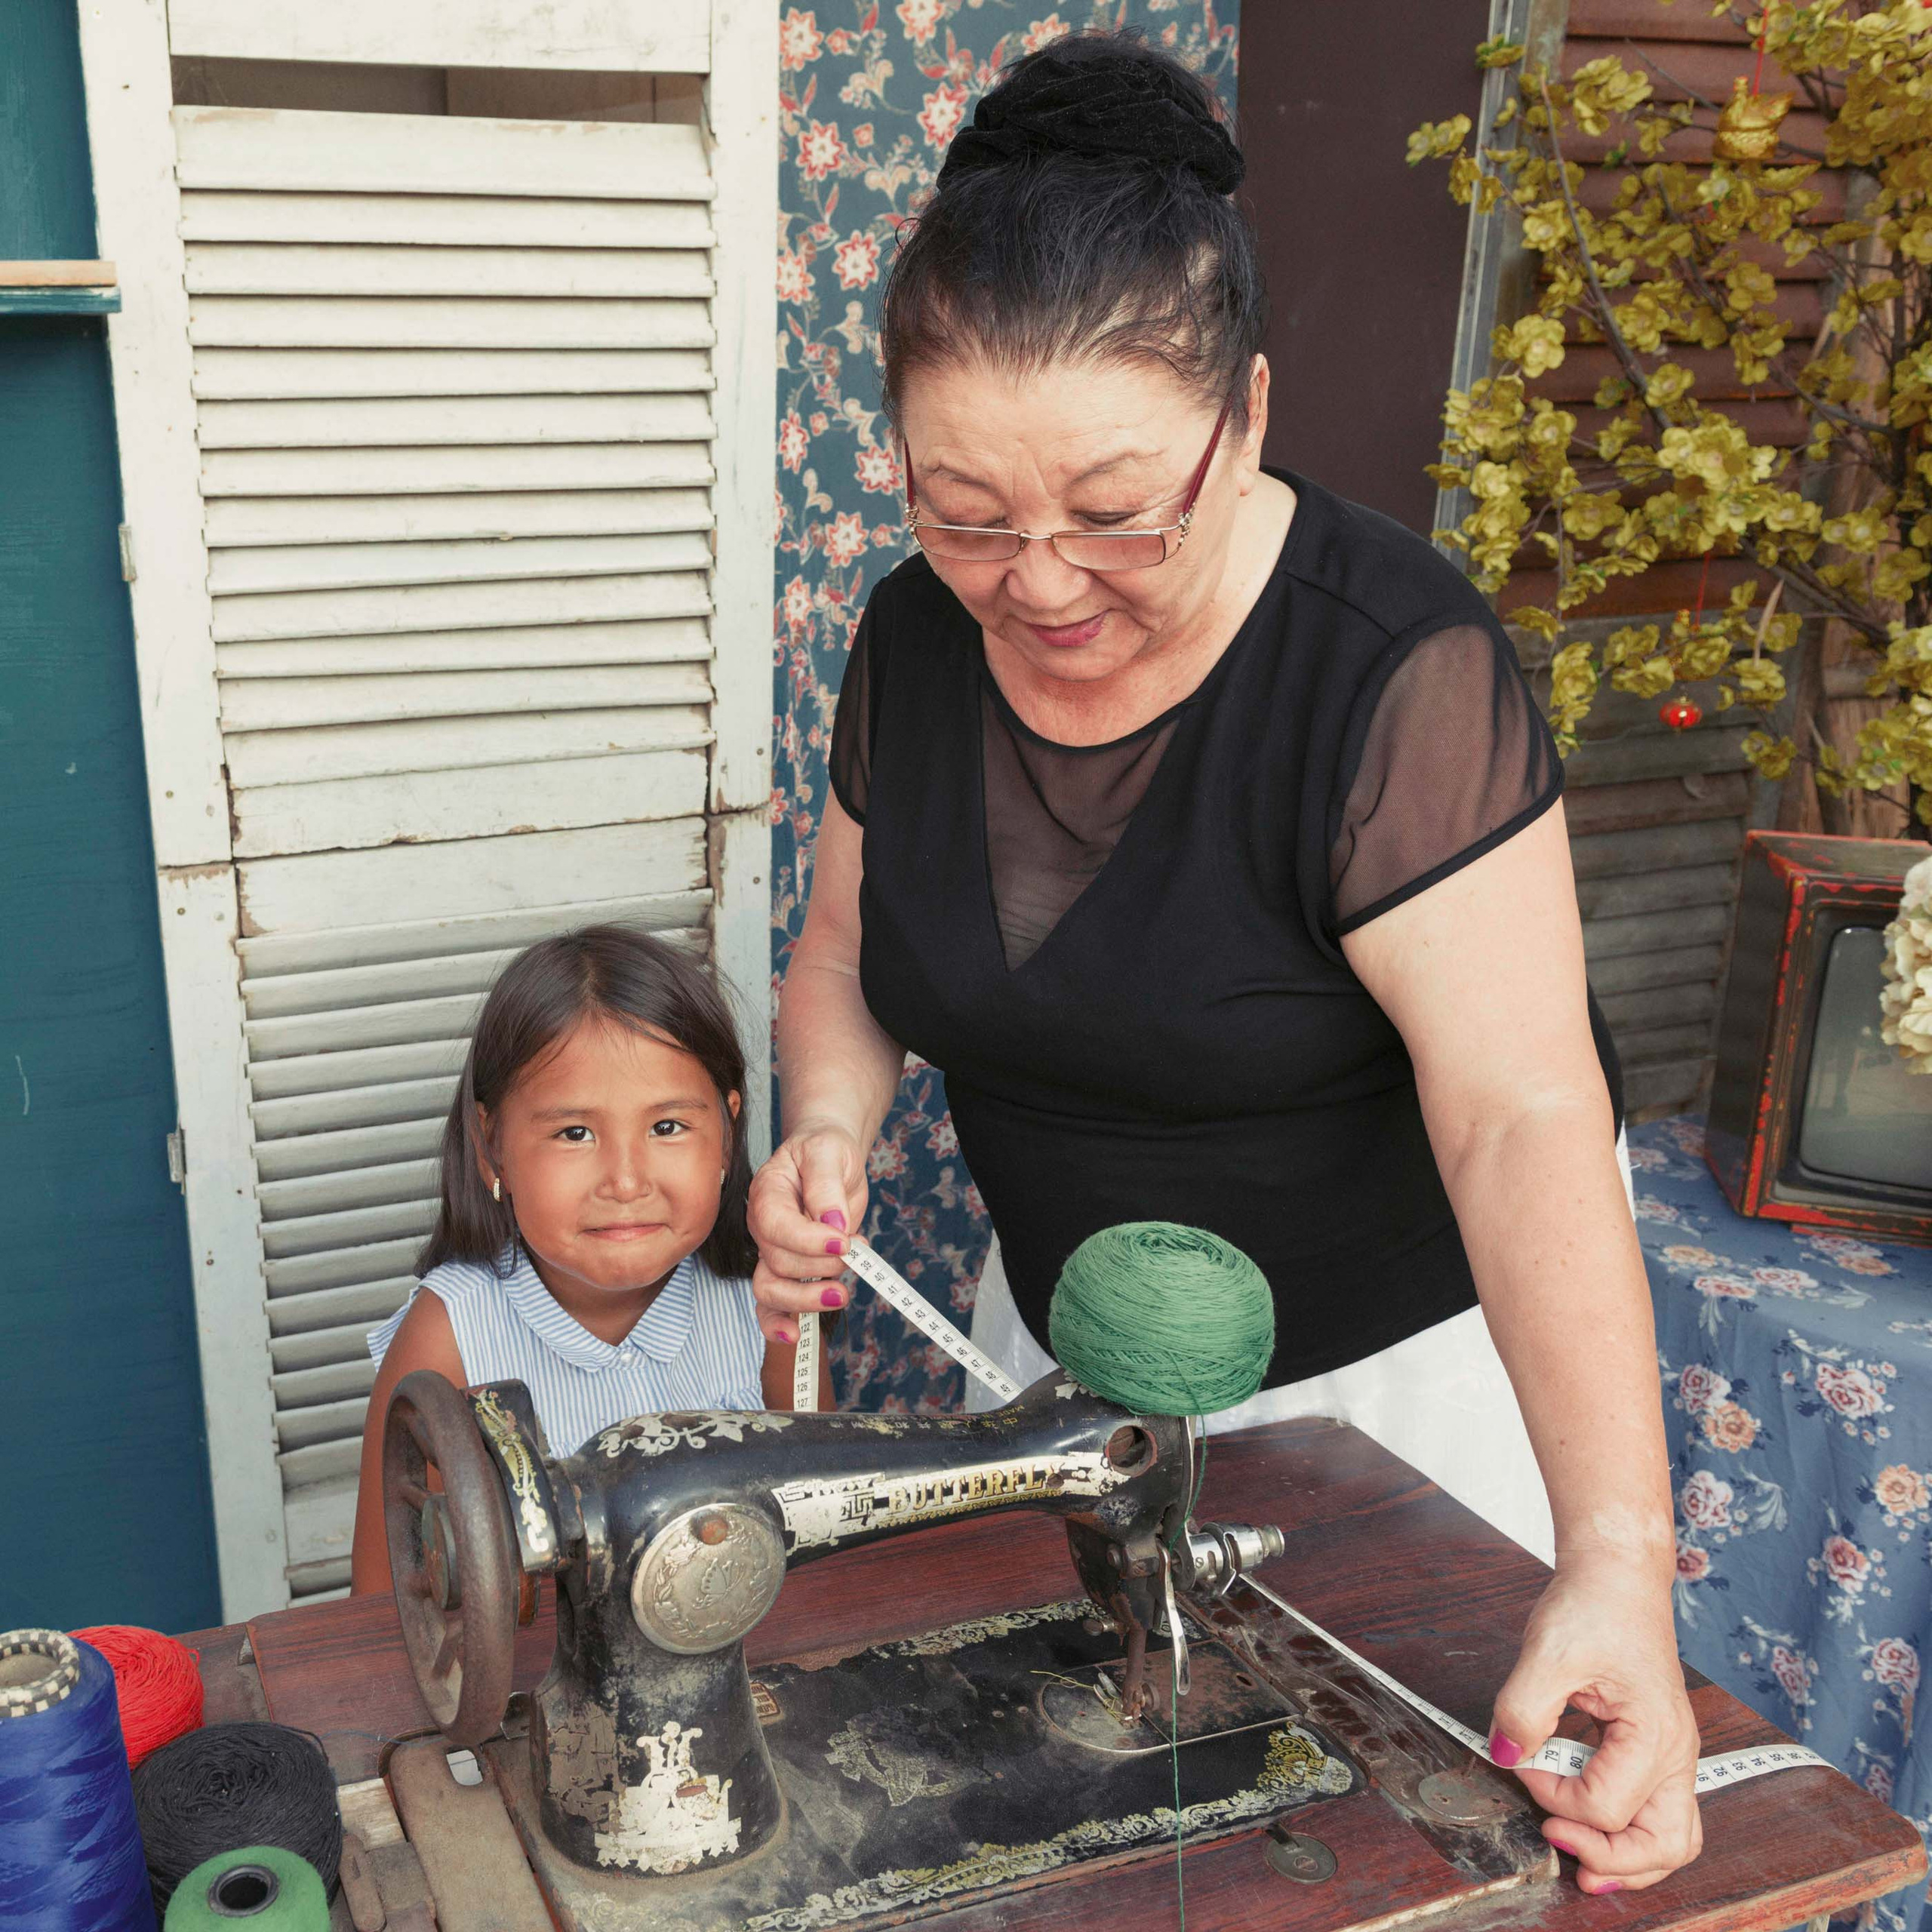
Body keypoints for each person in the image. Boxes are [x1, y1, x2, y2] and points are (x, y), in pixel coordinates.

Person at [750, 29, 1699, 1897]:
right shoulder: (911, 640)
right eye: (962, 509)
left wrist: (1613, 1555)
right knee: (1079, 1850)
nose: (1036, 581)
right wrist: (827, 1129)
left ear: (1246, 414)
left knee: (1382, 1870)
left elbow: (1520, 1114)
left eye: (1116, 511)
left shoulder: (1388, 671)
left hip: (1383, 1406)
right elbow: (846, 956)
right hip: (1070, 1360)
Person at [349, 927, 815, 1595]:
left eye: (667, 1127)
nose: (625, 1181)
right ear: (491, 1147)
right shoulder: (449, 1339)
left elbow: (826, 1546)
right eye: (575, 1133)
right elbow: (385, 1610)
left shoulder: (766, 1305)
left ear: (726, 1134)